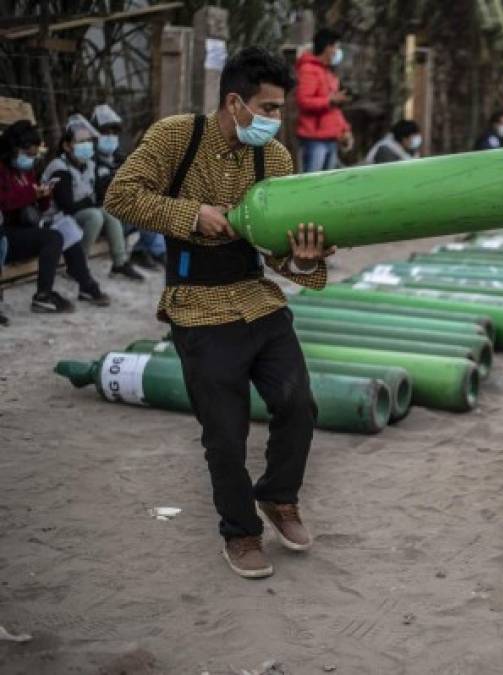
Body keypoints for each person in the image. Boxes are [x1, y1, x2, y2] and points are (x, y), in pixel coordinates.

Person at [105, 46, 336, 580]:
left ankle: (279, 497)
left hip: (257, 297)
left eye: (282, 110)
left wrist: (301, 259)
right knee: (225, 434)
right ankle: (240, 532)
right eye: (269, 108)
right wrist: (191, 215)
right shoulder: (175, 137)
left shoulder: (273, 159)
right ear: (236, 102)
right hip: (197, 306)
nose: (276, 121)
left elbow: (281, 253)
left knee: (298, 403)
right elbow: (120, 194)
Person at [0, 120, 109, 312]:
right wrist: (32, 194)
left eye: (34, 155)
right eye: (27, 154)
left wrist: (43, 195)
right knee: (53, 237)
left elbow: (37, 205)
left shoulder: (26, 171)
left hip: (24, 228)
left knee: (65, 228)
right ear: (13, 149)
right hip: (6, 235)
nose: (31, 159)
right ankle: (44, 295)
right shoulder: (2, 170)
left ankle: (86, 285)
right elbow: (6, 202)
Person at [42, 114, 142, 281]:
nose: (86, 145)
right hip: (56, 219)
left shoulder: (90, 164)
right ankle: (76, 266)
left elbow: (98, 195)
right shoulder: (59, 167)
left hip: (79, 214)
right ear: (67, 146)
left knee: (109, 212)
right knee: (95, 216)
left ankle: (120, 263)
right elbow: (67, 205)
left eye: (88, 141)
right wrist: (92, 201)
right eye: (80, 142)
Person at [92, 103, 166, 269]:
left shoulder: (119, 157)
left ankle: (146, 251)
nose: (110, 136)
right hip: (106, 218)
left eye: (113, 132)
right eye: (105, 132)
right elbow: (103, 193)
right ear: (95, 135)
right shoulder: (90, 161)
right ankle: (155, 252)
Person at [295, 28, 352, 172]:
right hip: (314, 139)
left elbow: (334, 110)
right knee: (311, 185)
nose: (337, 51)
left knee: (327, 185)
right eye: (336, 47)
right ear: (328, 47)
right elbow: (304, 101)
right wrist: (329, 100)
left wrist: (344, 130)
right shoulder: (308, 69)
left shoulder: (327, 72)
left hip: (331, 138)